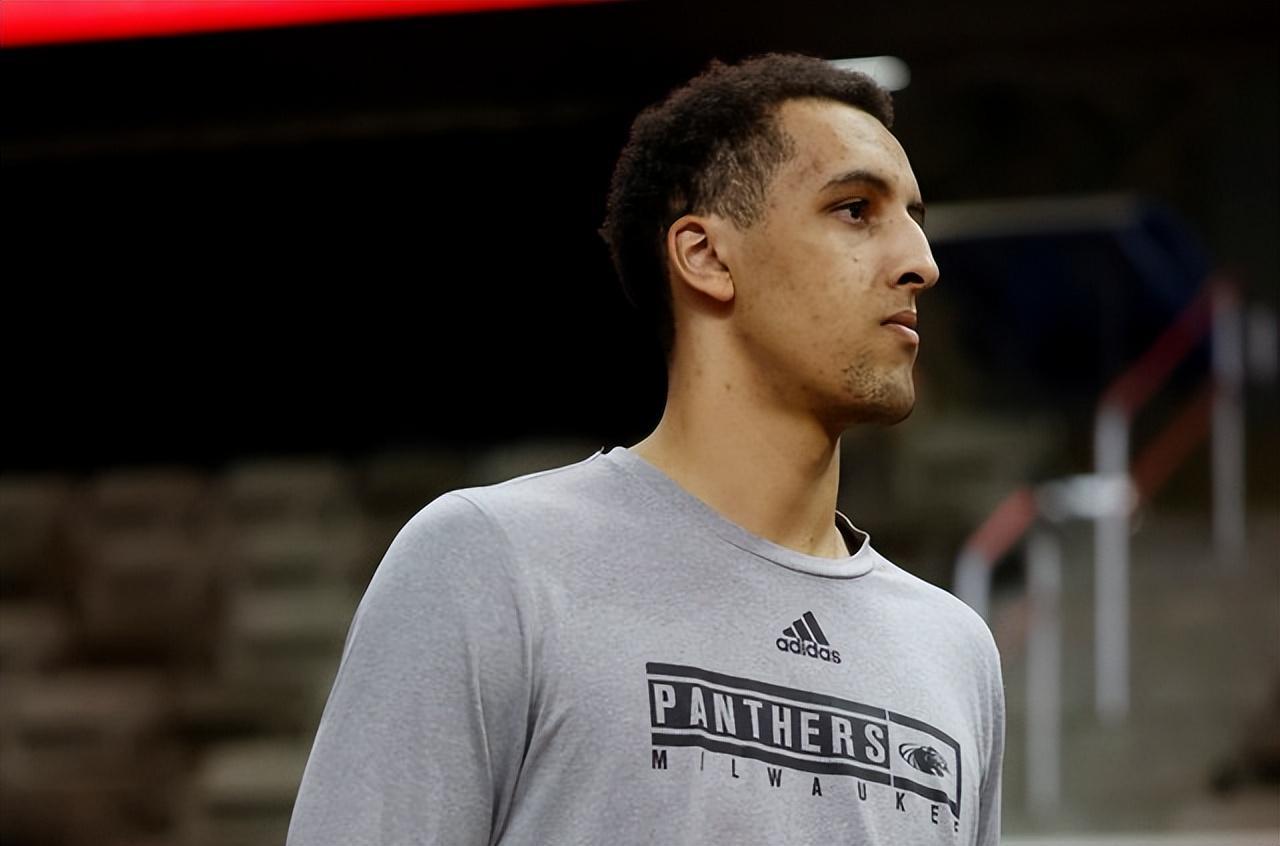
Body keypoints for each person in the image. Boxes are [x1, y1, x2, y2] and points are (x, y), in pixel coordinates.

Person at [288, 52, 1004, 845]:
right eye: (855, 210)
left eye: (914, 218)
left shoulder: (952, 649)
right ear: (706, 256)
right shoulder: (490, 562)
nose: (921, 262)